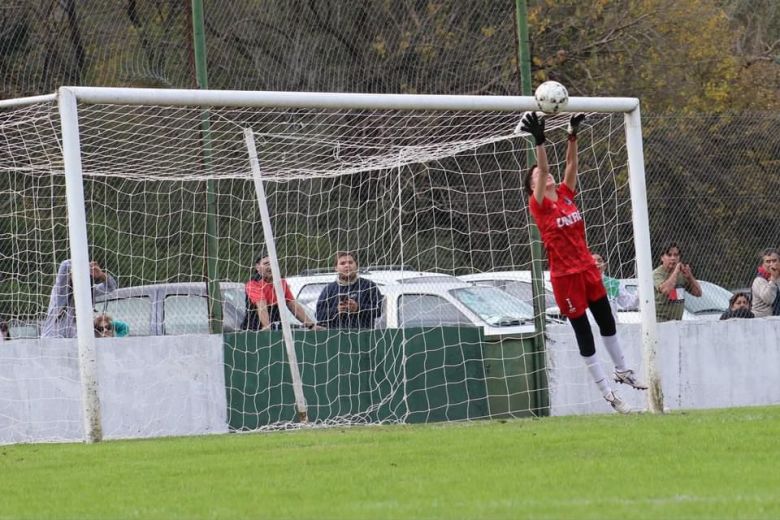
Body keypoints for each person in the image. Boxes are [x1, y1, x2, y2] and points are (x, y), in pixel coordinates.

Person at [521, 111, 645, 414]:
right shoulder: (539, 205)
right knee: (584, 334)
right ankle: (609, 396)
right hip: (565, 277)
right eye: (538, 174)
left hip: (588, 269)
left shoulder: (564, 194)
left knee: (607, 320)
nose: (545, 174)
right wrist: (539, 141)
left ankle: (623, 370)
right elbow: (547, 165)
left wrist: (572, 134)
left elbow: (571, 166)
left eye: (545, 172)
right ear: (532, 187)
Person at [42, 259, 118, 338]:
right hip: (52, 341)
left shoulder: (88, 293)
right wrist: (84, 264)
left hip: (73, 343)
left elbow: (111, 287)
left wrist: (101, 275)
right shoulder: (61, 292)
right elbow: (64, 265)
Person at [243, 255, 318, 331]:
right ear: (257, 267)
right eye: (266, 264)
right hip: (255, 331)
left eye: (273, 263)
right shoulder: (253, 284)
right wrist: (267, 328)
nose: (270, 267)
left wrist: (311, 326)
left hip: (276, 328)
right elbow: (262, 306)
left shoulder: (281, 282)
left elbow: (293, 306)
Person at [315, 251, 383, 329]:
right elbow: (318, 315)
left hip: (363, 336)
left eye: (350, 262)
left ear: (356, 265)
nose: (347, 265)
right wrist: (337, 310)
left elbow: (379, 310)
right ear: (336, 268)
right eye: (342, 263)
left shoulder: (369, 286)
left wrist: (357, 308)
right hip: (336, 337)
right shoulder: (329, 289)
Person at [652, 243, 702, 322]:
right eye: (669, 255)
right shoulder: (657, 274)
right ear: (662, 258)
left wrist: (690, 277)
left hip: (677, 321)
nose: (673, 258)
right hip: (660, 321)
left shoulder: (682, 274)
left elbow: (698, 293)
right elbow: (666, 290)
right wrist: (676, 272)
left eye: (676, 255)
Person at [592, 253, 639, 317]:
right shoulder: (581, 284)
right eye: (592, 261)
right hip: (588, 325)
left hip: (611, 324)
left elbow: (628, 303)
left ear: (605, 265)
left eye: (599, 261)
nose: (597, 263)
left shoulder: (614, 283)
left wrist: (639, 292)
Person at [751, 248, 780, 318]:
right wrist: (773, 279)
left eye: (774, 261)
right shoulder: (759, 280)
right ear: (763, 264)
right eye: (768, 261)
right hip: (762, 321)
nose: (771, 264)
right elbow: (769, 299)